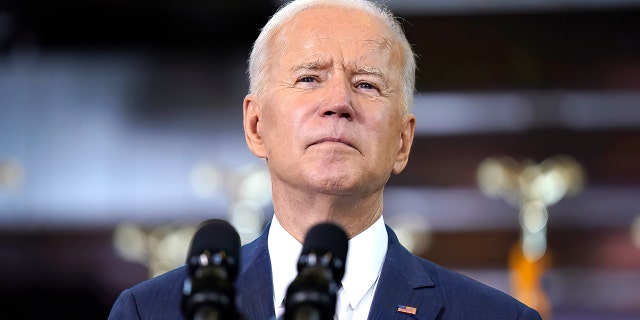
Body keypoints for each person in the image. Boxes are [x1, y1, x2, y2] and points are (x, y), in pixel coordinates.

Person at [108, 0, 542, 319]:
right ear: (256, 126)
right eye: (309, 78)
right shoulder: (150, 312)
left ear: (403, 142)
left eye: (367, 85)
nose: (338, 102)